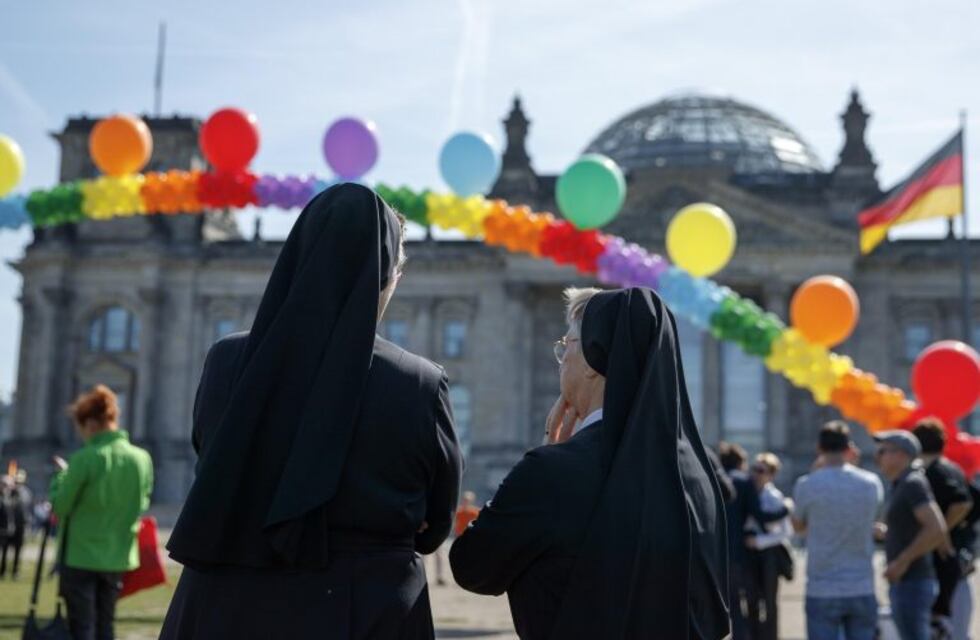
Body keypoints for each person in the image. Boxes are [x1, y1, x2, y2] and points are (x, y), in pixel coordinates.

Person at [161, 184, 462, 639]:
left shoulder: (225, 361)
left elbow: (213, 459)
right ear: (385, 276)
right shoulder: (418, 382)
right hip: (362, 607)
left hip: (225, 604)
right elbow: (436, 521)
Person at [450, 287, 730, 640]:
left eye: (565, 345)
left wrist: (544, 461)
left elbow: (472, 567)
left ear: (592, 362)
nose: (561, 360)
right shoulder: (701, 477)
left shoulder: (550, 473)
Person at [51, 384, 154, 640]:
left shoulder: (85, 458)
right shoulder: (142, 459)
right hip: (118, 555)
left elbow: (60, 506)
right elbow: (142, 503)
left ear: (90, 424)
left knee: (82, 627)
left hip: (80, 556)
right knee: (106, 625)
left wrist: (61, 477)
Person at [792, 420, 883, 640]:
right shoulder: (871, 483)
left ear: (819, 448)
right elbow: (872, 519)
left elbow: (798, 526)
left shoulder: (807, 484)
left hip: (821, 586)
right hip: (861, 584)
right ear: (849, 448)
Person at [874, 430, 947, 640]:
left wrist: (902, 562)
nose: (878, 457)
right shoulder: (901, 484)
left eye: (883, 451)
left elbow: (936, 528)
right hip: (908, 583)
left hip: (912, 582)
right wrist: (887, 533)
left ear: (901, 455)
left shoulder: (912, 483)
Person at [718, 441, 789, 640]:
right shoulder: (744, 483)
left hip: (721, 554)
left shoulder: (715, 480)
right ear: (740, 462)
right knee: (751, 602)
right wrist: (786, 509)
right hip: (742, 554)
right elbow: (761, 517)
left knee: (734, 603)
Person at [911, 418, 974, 640]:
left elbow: (962, 503)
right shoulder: (953, 468)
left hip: (944, 559)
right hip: (955, 557)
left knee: (942, 626)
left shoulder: (935, 472)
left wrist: (940, 531)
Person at [744, 452, 793, 640]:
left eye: (761, 470)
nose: (756, 474)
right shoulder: (749, 492)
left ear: (771, 474)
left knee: (769, 602)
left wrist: (759, 541)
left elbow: (786, 532)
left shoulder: (774, 496)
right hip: (750, 554)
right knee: (751, 600)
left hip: (769, 555)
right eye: (754, 469)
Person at [0, 469, 31, 578]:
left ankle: (15, 571)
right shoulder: (9, 493)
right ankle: (3, 570)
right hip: (11, 525)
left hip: (21, 525)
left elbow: (27, 510)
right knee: (5, 549)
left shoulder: (26, 493)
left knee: (18, 549)